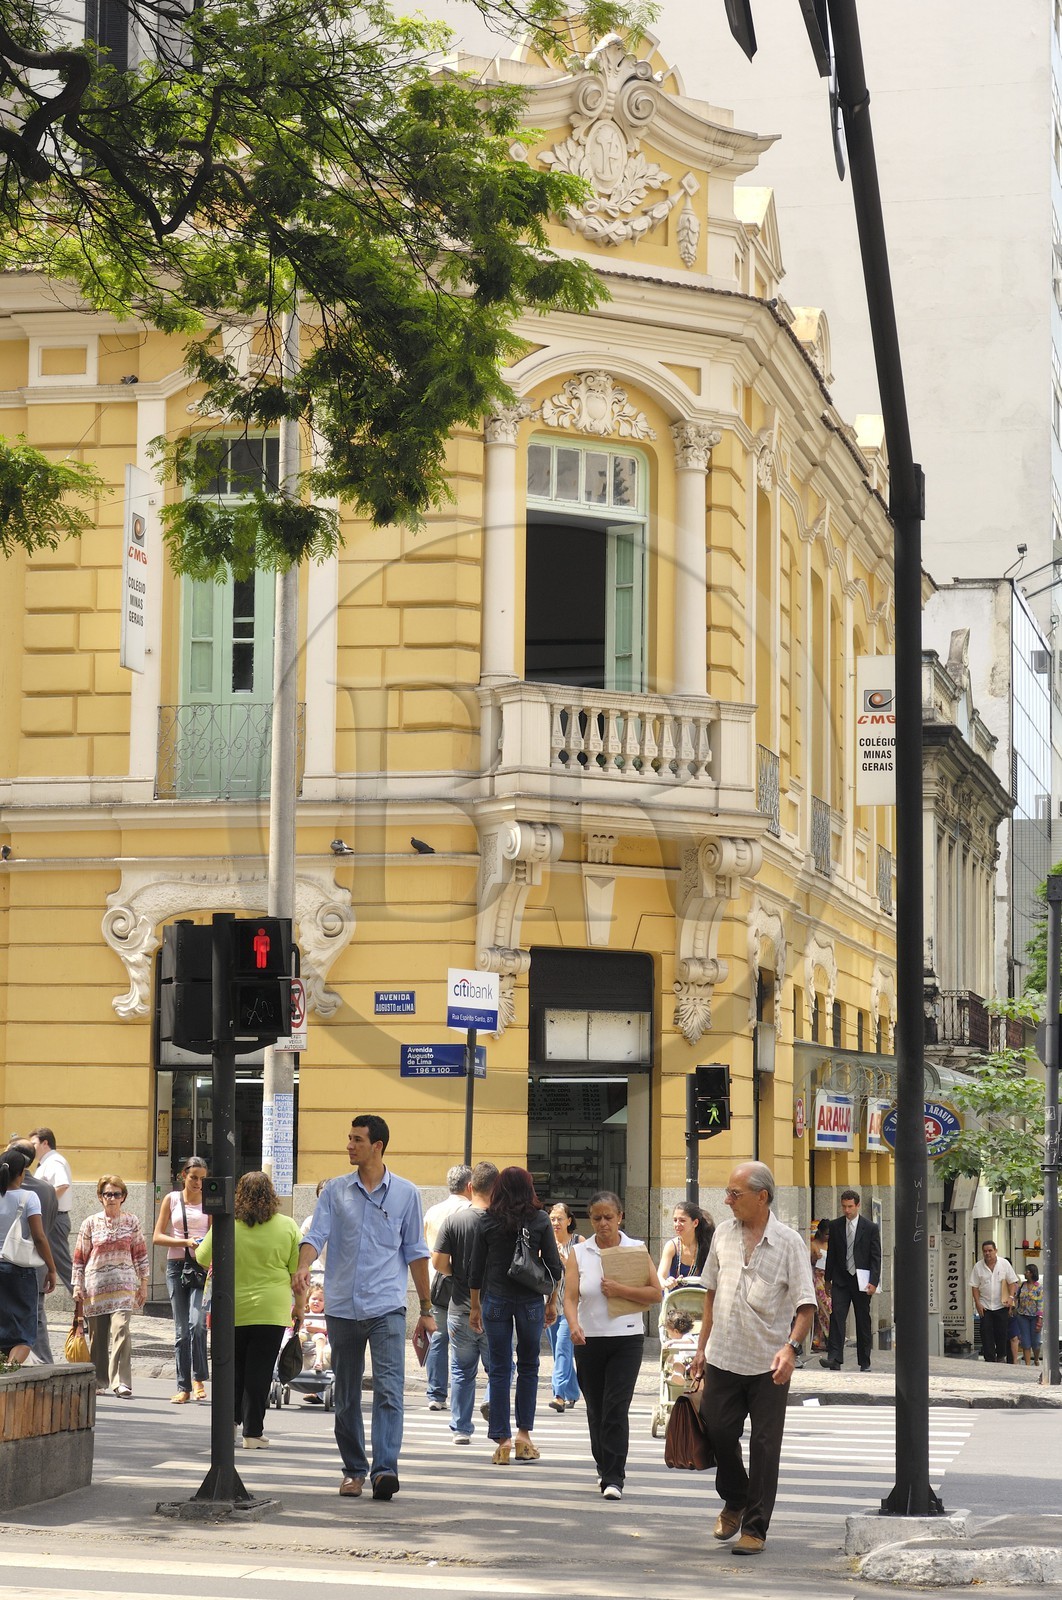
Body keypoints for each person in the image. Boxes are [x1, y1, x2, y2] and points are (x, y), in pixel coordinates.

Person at [294, 1114, 435, 1501]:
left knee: (390, 1391)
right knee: (347, 1395)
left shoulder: (407, 1193)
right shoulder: (335, 1192)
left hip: (387, 1307)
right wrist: (304, 1265)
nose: (349, 1145)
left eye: (357, 1139)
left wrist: (425, 1308)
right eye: (349, 1138)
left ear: (378, 1146)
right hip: (341, 1308)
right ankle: (354, 1470)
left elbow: (417, 1253)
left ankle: (385, 1470)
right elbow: (316, 1235)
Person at [689, 1161, 816, 1556]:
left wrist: (790, 1349)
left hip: (768, 1363)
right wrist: (700, 1349)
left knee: (764, 1445)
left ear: (762, 1197)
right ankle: (735, 1497)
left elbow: (806, 1305)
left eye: (734, 1194)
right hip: (724, 1355)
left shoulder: (789, 1242)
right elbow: (709, 1294)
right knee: (719, 1432)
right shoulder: (723, 1236)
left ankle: (756, 1527)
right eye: (727, 1193)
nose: (726, 1201)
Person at [564, 1190, 661, 1500]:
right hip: (589, 1339)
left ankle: (615, 1476)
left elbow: (655, 1293)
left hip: (626, 1339)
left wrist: (619, 1288)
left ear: (620, 1217)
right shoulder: (580, 1253)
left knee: (616, 1408)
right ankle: (603, 1466)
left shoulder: (636, 1249)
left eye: (608, 1217)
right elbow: (569, 1297)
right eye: (596, 1218)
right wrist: (573, 1324)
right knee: (596, 1408)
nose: (603, 1224)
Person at [197, 1170, 303, 1447]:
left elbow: (201, 1257)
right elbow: (297, 1275)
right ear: (272, 1195)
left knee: (232, 1369)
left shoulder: (226, 1223)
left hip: (230, 1307)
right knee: (260, 1371)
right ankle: (253, 1433)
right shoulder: (288, 1226)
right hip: (271, 1309)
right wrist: (299, 1309)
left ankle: (229, 1425)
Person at [468, 1166, 562, 1464]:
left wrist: (474, 1306)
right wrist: (552, 1302)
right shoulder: (540, 1219)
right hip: (530, 1301)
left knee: (498, 1368)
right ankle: (523, 1436)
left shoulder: (487, 1221)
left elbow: (475, 1268)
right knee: (530, 1365)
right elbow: (554, 1266)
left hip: (495, 1298)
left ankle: (502, 1441)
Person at [432, 1160, 498, 1444]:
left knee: (461, 1368)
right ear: (497, 1189)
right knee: (499, 1367)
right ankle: (492, 1408)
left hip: (459, 1305)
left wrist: (459, 1273)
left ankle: (461, 1427)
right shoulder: (501, 1223)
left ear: (471, 1187)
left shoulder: (454, 1221)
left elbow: (438, 1262)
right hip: (496, 1308)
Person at [72, 1175, 149, 1397]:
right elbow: (79, 1258)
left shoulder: (132, 1221)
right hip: (95, 1288)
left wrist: (143, 1283)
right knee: (98, 1337)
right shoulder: (89, 1223)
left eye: (116, 1194)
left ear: (123, 1197)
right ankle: (99, 1380)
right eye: (107, 1194)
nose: (112, 1198)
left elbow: (140, 1255)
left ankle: (121, 1381)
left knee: (121, 1330)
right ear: (100, 1197)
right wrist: (77, 1285)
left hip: (124, 1286)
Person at [152, 1155, 211, 1404]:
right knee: (180, 1330)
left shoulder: (210, 1202)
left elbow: (217, 1235)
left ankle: (198, 1377)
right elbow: (157, 1236)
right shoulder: (172, 1199)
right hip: (176, 1267)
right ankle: (183, 1386)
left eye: (202, 1178)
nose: (198, 1183)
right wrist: (184, 1242)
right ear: (183, 1176)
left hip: (201, 1267)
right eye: (194, 1177)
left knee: (197, 1324)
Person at [422, 1164, 473, 1411]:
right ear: (469, 1185)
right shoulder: (471, 1210)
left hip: (436, 1282)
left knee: (439, 1338)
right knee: (467, 1341)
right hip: (463, 1284)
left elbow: (423, 1248)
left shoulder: (433, 1211)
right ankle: (463, 1396)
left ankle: (436, 1393)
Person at [0, 1147, 57, 1366]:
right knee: (24, 1334)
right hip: (18, 1270)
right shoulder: (28, 1197)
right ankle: (8, 1372)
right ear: (21, 1173)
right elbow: (40, 1237)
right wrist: (51, 1269)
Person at [820, 1189, 881, 1372]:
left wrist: (874, 1281)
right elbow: (831, 1254)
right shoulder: (836, 1225)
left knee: (863, 1320)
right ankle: (835, 1358)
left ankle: (865, 1361)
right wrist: (828, 1279)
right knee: (837, 1316)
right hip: (841, 1279)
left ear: (857, 1205)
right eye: (844, 1206)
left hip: (861, 1280)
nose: (847, 1210)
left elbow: (875, 1257)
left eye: (850, 1207)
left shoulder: (870, 1228)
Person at [546, 1201, 583, 1412]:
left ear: (569, 1220)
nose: (556, 1223)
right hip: (550, 1305)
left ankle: (558, 1395)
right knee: (559, 1352)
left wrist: (564, 1259)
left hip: (571, 1307)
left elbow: (583, 1272)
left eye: (560, 1218)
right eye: (552, 1219)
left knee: (562, 1348)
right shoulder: (546, 1241)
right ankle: (573, 1392)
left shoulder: (579, 1242)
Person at [28, 1127, 73, 1291]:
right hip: (53, 1218)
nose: (31, 1148)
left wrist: (46, 1202)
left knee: (63, 1265)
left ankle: (86, 1308)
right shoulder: (47, 1162)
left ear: (45, 1143)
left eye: (33, 1144)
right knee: (45, 1264)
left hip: (54, 1219)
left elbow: (62, 1185)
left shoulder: (53, 1161)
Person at [969, 1240, 1020, 1364]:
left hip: (1001, 1305)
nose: (988, 1253)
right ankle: (990, 1359)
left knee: (1001, 1333)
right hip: (985, 1306)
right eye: (985, 1251)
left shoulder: (1004, 1264)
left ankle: (1001, 1356)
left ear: (995, 1251)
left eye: (990, 1250)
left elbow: (1012, 1282)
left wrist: (1011, 1298)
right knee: (986, 1334)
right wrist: (977, 1303)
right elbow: (974, 1286)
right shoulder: (978, 1266)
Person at [657, 1202, 713, 1288]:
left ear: (695, 1223)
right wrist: (666, 1283)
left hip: (700, 1298)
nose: (677, 1224)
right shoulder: (671, 1246)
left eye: (682, 1220)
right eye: (675, 1220)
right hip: (674, 1299)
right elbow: (660, 1278)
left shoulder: (707, 1245)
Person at [1014, 1262, 1043, 1367]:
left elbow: (1041, 1303)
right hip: (1022, 1316)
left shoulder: (1039, 1287)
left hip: (1035, 1317)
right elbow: (1016, 1297)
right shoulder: (1022, 1285)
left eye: (1027, 1271)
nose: (1025, 1273)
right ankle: (1027, 1365)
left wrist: (1040, 1318)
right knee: (1025, 1341)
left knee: (1035, 1341)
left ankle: (1035, 1359)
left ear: (1031, 1273)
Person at [810, 1220, 831, 1353]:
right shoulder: (813, 1245)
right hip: (817, 1279)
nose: (828, 1237)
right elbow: (809, 1262)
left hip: (828, 1279)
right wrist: (814, 1258)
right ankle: (829, 1336)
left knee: (828, 1308)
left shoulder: (830, 1245)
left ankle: (821, 1339)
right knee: (825, 1307)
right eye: (826, 1234)